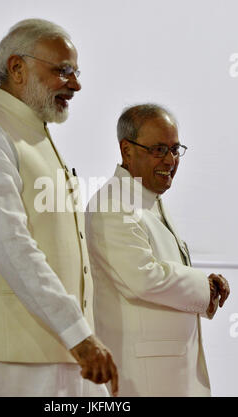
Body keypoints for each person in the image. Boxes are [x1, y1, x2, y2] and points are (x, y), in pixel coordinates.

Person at [0, 18, 118, 397]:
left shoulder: (30, 135)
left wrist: (80, 336)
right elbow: (11, 245)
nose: (76, 84)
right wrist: (78, 333)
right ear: (17, 68)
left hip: (54, 353)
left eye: (77, 72)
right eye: (63, 70)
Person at [85, 104, 230, 397]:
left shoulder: (146, 197)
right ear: (127, 150)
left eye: (176, 149)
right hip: (144, 381)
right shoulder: (113, 204)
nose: (171, 160)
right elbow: (143, 277)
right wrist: (204, 287)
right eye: (159, 150)